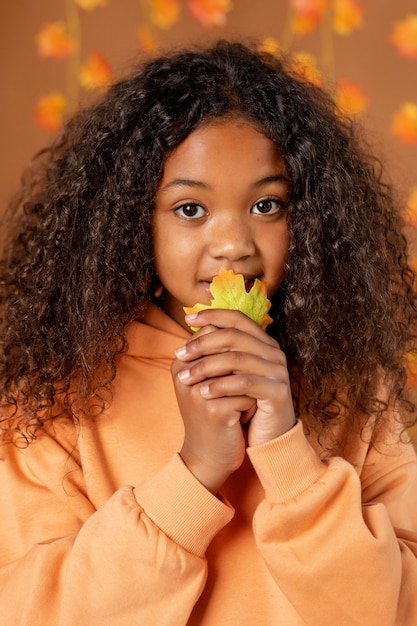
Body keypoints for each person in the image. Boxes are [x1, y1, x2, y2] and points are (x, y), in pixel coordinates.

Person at [0, 39, 416, 625]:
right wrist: (194, 472)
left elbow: (395, 611)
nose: (233, 245)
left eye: (267, 205)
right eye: (190, 209)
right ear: (128, 220)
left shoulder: (359, 385)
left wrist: (287, 454)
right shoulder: (52, 402)